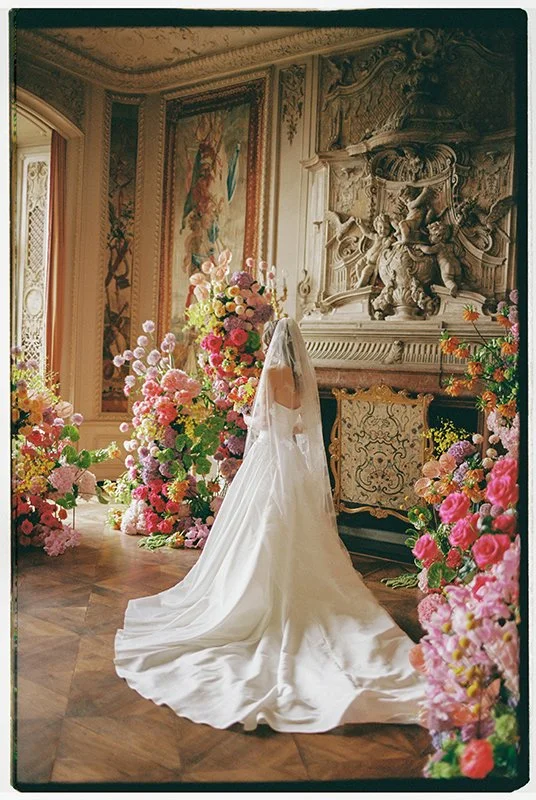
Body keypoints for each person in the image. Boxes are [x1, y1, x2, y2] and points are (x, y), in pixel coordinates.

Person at [114, 317, 427, 733]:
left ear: (274, 344)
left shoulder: (273, 372)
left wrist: (252, 412)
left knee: (257, 528)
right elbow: (301, 425)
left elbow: (259, 422)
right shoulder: (299, 377)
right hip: (292, 462)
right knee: (294, 529)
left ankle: (253, 594)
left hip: (267, 459)